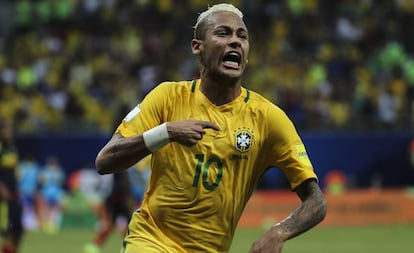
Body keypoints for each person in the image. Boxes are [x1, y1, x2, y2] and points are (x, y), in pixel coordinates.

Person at [95, 3, 327, 253]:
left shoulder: (268, 118)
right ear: (198, 47)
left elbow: (316, 202)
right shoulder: (167, 97)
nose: (235, 41)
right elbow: (105, 160)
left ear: (247, 54)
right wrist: (166, 132)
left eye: (242, 36)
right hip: (151, 240)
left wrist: (279, 231)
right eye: (223, 33)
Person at [0, 120, 23, 253]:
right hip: (4, 194)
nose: (9, 132)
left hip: (13, 192)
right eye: (6, 130)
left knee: (17, 228)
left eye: (9, 129)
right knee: (8, 229)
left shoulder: (13, 146)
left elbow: (13, 167)